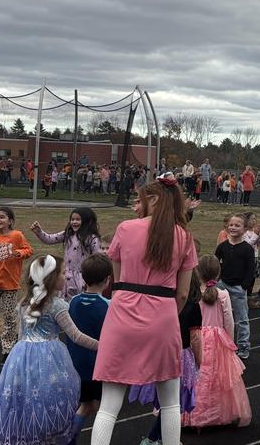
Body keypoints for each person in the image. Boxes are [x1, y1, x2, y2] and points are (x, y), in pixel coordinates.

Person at [90, 175, 198, 445]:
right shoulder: (184, 237)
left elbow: (117, 278)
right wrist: (165, 314)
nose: (137, 203)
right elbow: (183, 292)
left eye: (141, 198)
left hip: (122, 314)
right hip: (162, 316)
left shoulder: (126, 228)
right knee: (170, 402)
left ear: (153, 199)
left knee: (109, 405)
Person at [0, 255, 99, 445]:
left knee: (23, 401)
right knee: (49, 400)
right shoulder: (58, 306)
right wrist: (102, 346)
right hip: (50, 360)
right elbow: (76, 336)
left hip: (21, 356)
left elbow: (22, 335)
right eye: (63, 273)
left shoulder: (24, 303)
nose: (68, 277)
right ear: (51, 278)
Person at [183, 255, 251, 429]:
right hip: (218, 339)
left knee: (197, 376)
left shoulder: (195, 293)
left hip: (198, 336)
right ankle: (217, 413)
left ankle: (195, 414)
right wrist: (230, 341)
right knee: (219, 377)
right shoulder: (223, 294)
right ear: (218, 273)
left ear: (198, 273)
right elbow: (229, 320)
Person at [134, 271, 202, 445]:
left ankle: (160, 437)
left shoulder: (162, 302)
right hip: (180, 355)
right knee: (173, 401)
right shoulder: (193, 306)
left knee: (168, 399)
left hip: (160, 352)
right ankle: (154, 438)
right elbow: (195, 337)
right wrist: (199, 361)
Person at [66, 254, 113, 444]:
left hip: (76, 365)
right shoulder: (109, 306)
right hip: (99, 366)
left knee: (85, 405)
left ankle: (70, 438)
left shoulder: (73, 302)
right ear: (108, 280)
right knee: (106, 409)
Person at [0, 206, 33, 363]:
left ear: (10, 220)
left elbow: (28, 250)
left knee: (9, 316)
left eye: (2, 217)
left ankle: (7, 348)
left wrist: (20, 253)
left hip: (10, 284)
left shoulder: (17, 235)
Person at [31, 207, 102, 301]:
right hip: (65, 276)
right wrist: (39, 232)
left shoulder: (92, 238)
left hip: (81, 277)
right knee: (64, 302)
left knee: (78, 301)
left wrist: (92, 277)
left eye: (78, 219)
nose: (74, 222)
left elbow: (97, 258)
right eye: (72, 219)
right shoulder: (68, 234)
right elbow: (49, 239)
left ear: (87, 221)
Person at [215, 213, 256, 360]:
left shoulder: (247, 249)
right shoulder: (222, 247)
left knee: (242, 318)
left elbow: (251, 269)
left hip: (239, 288)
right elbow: (215, 263)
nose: (233, 227)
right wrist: (216, 281)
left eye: (237, 225)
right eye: (231, 225)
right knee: (220, 316)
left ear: (244, 229)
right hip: (222, 285)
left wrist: (244, 286)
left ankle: (243, 345)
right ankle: (222, 342)